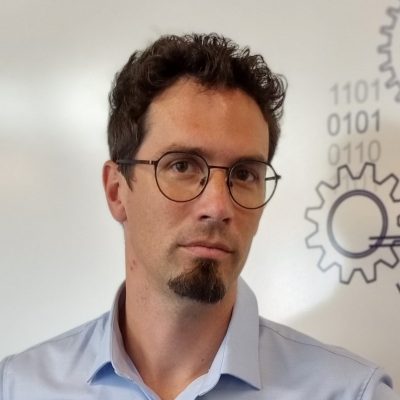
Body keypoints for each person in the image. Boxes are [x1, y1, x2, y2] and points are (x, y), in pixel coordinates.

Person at [0, 33, 398, 400]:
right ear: (117, 191)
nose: (218, 207)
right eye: (182, 166)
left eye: (244, 174)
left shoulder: (348, 393)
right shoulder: (20, 386)